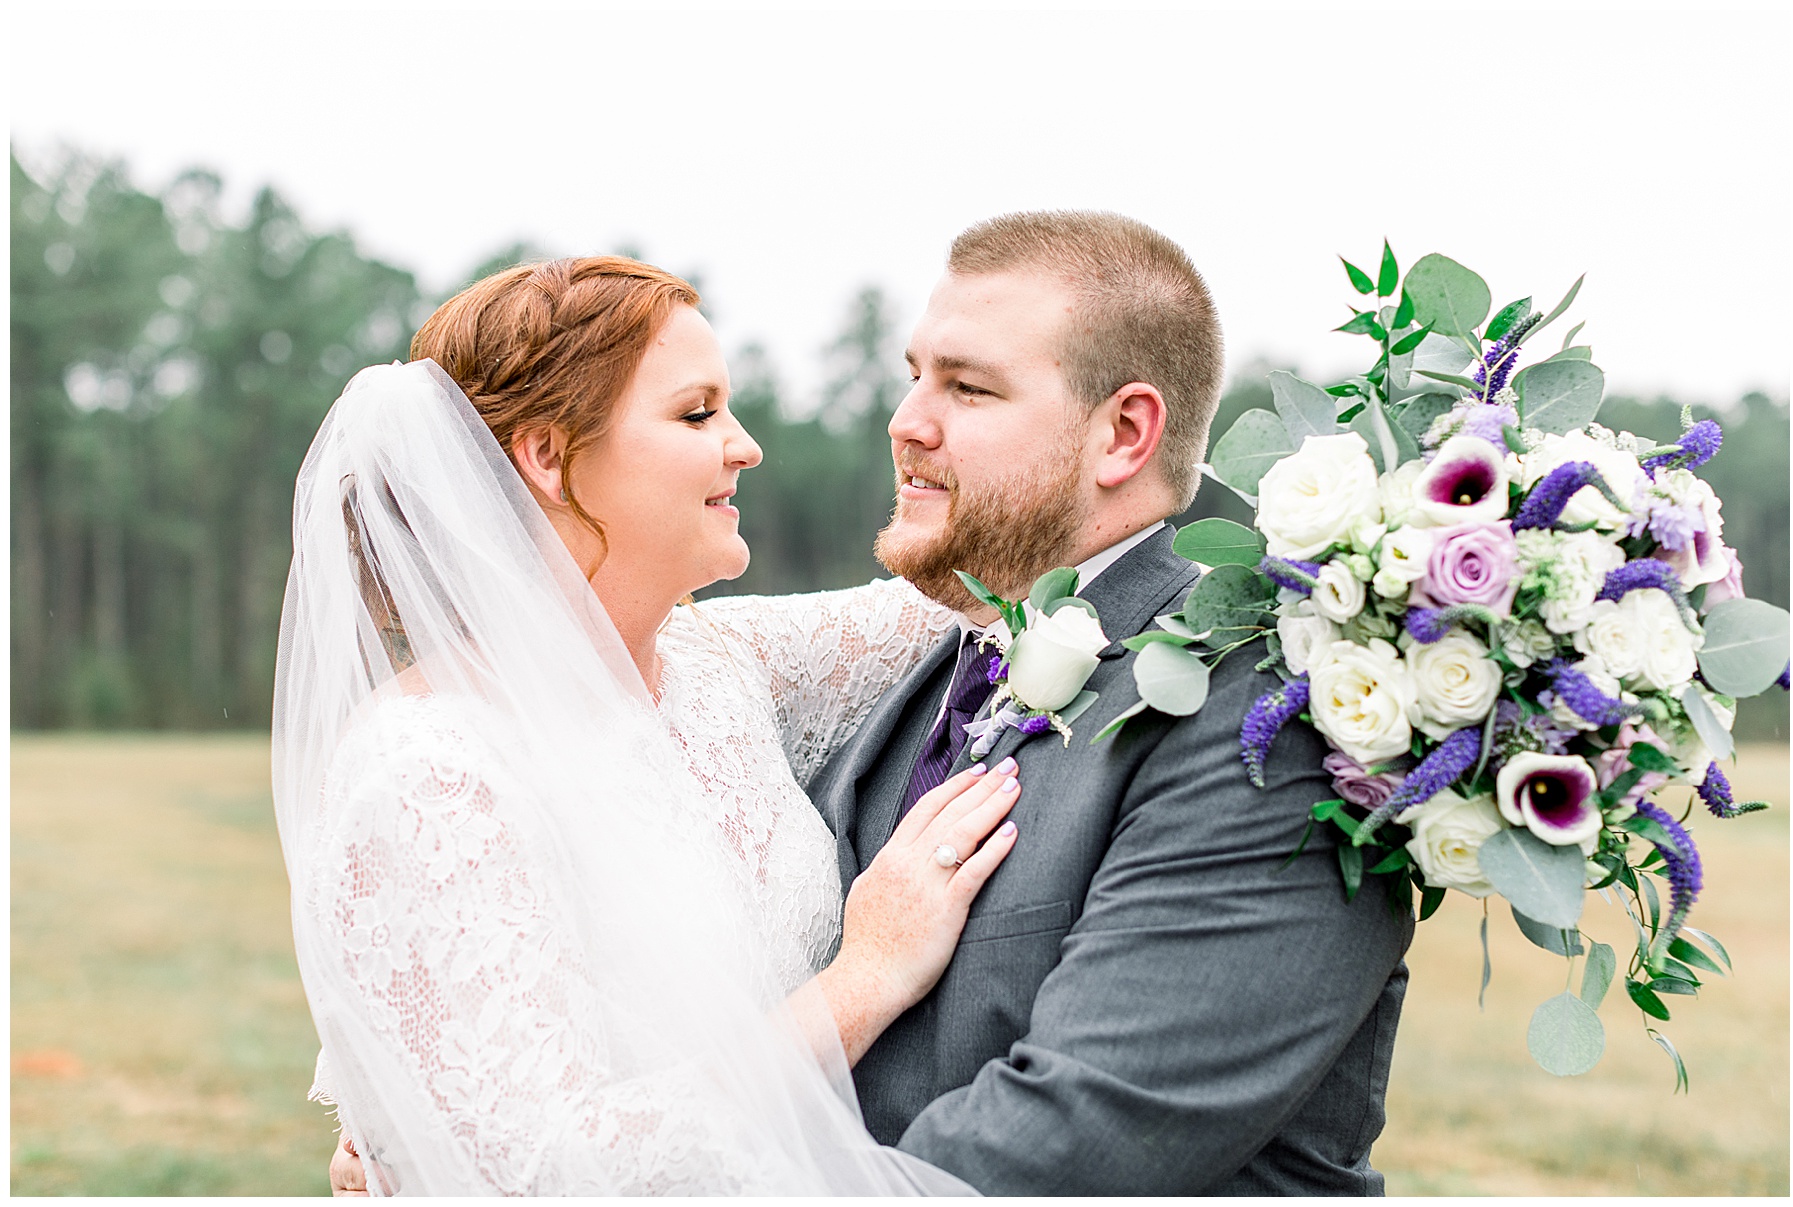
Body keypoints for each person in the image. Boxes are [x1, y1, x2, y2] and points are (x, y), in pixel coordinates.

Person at [280, 257, 1021, 1194]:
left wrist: (1259, 580)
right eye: (696, 413)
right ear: (547, 456)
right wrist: (864, 976)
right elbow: (548, 1170)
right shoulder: (430, 771)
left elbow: (982, 592)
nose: (745, 445)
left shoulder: (718, 664)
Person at [810, 211, 1413, 1194]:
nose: (908, 421)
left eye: (966, 387)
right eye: (915, 374)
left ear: (1124, 434)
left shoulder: (1267, 720)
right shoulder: (918, 669)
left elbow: (1067, 1149)